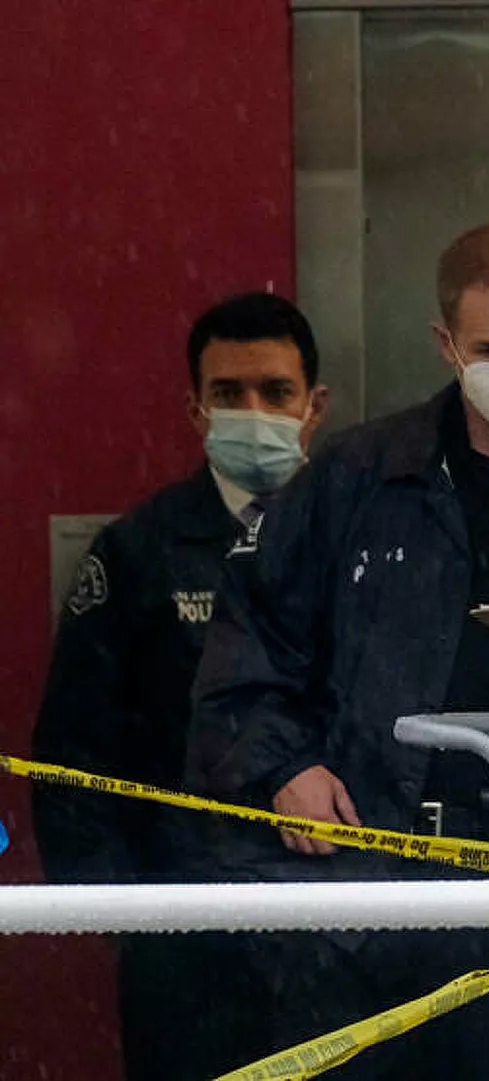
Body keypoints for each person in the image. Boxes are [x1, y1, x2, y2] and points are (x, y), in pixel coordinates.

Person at [187, 224, 489, 1080]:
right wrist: (284, 766)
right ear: (447, 344)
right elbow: (242, 658)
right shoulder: (355, 481)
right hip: (364, 893)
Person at [32, 291, 328, 1081]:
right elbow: (72, 756)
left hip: (341, 927)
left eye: (276, 392)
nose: (253, 412)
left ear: (315, 406)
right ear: (195, 409)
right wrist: (126, 915)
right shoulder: (140, 552)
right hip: (187, 932)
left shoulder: (363, 544)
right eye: (229, 394)